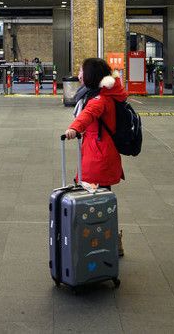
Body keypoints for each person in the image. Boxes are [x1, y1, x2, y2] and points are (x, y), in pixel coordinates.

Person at [65, 57, 127, 256]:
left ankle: (108, 240)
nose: (79, 74)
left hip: (99, 156)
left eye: (82, 71)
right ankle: (110, 240)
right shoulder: (103, 93)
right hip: (100, 152)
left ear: (91, 75)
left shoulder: (101, 98)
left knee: (98, 202)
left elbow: (89, 113)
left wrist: (74, 128)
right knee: (101, 200)